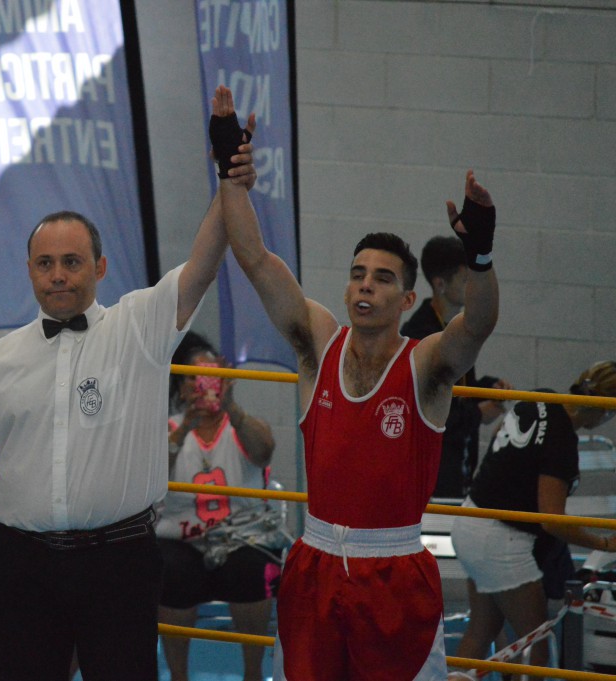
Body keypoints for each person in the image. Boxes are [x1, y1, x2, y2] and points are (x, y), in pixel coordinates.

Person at [0, 86, 256, 681]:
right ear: (30, 271)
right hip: (23, 567)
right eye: (46, 263)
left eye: (72, 262)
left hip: (120, 564)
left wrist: (228, 171)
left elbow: (202, 262)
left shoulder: (140, 326)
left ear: (99, 267)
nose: (59, 276)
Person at [221, 157, 500, 679]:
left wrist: (480, 255)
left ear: (408, 299)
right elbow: (255, 260)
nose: (366, 286)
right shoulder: (318, 344)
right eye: (357, 275)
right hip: (315, 562)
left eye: (382, 278)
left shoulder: (424, 364)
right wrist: (229, 176)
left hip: (394, 570)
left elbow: (478, 324)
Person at [450, 361, 616, 672]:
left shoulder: (542, 398)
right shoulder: (563, 442)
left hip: (469, 520)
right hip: (500, 541)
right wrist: (604, 543)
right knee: (536, 650)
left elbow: (502, 438)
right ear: (606, 410)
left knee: (481, 632)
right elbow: (551, 519)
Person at [157, 331, 283, 681]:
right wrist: (185, 431)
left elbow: (265, 451)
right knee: (171, 570)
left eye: (211, 378)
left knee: (250, 568)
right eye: (195, 379)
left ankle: (253, 674)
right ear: (182, 386)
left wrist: (233, 408)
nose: (204, 387)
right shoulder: (167, 433)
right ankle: (178, 676)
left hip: (242, 537)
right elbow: (152, 480)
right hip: (181, 541)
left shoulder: (242, 427)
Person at [401, 235, 512, 498]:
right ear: (440, 284)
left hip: (458, 462)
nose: (471, 286)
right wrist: (477, 415)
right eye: (465, 280)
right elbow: (424, 409)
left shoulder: (457, 327)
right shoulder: (419, 335)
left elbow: (454, 387)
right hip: (432, 471)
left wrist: (486, 388)